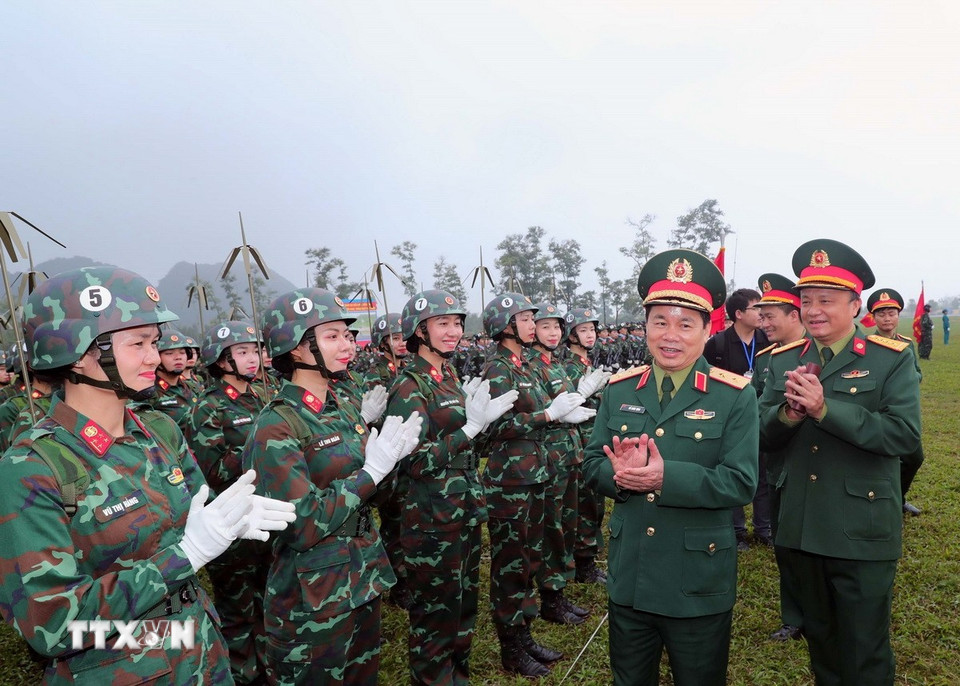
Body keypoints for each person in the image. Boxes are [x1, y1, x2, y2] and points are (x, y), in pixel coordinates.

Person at [0, 266, 294, 683]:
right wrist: (185, 556)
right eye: (138, 343)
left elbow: (197, 512)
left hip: (201, 654)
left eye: (154, 342)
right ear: (78, 352)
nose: (155, 357)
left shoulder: (158, 431)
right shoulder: (32, 468)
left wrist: (228, 521)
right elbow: (52, 626)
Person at [582, 249, 758, 686]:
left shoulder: (733, 395)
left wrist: (666, 477)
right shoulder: (619, 390)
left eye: (685, 323)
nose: (670, 335)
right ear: (645, 327)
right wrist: (618, 476)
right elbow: (590, 464)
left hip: (696, 581)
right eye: (660, 321)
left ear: (707, 329)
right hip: (632, 577)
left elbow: (740, 482)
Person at [758, 239, 921, 685]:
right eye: (806, 301)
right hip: (802, 523)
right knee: (823, 643)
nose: (813, 311)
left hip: (860, 527)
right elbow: (760, 434)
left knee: (863, 647)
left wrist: (826, 409)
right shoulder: (784, 359)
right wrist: (788, 413)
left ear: (855, 306)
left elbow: (903, 436)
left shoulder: (890, 359)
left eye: (826, 301)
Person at [241, 287, 422, 685]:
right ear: (297, 350)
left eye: (347, 334)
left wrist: (392, 465)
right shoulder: (277, 426)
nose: (348, 345)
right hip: (313, 598)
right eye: (332, 336)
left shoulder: (341, 408)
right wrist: (369, 474)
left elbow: (378, 496)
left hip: (361, 575)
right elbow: (300, 523)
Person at [385, 289, 516, 685]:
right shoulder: (410, 388)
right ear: (419, 331)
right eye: (443, 323)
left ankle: (457, 677)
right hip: (430, 518)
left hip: (462, 508)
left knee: (462, 608)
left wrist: (481, 426)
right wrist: (469, 429)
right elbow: (413, 462)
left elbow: (463, 443)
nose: (454, 331)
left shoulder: (449, 376)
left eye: (458, 323)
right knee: (435, 616)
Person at [480, 293, 586, 678]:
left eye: (530, 318)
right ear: (505, 326)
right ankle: (511, 645)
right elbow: (494, 428)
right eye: (523, 319)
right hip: (510, 478)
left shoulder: (523, 365)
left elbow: (544, 409)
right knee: (510, 562)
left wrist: (564, 411)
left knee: (528, 556)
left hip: (535, 471)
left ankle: (523, 633)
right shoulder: (498, 369)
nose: (531, 325)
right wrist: (546, 415)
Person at [189, 319, 272, 684]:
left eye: (255, 350)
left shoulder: (264, 396)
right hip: (231, 521)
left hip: (264, 513)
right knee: (238, 609)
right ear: (222, 361)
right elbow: (211, 469)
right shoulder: (209, 407)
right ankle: (243, 673)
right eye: (242, 352)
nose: (252, 358)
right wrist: (259, 452)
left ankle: (270, 668)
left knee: (268, 601)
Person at [529, 302, 597, 626]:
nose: (552, 332)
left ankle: (561, 587)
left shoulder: (553, 364)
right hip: (547, 458)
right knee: (551, 529)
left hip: (568, 452)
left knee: (567, 524)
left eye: (556, 326)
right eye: (545, 326)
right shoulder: (532, 367)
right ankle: (550, 596)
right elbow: (537, 412)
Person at [754, 273, 807, 643]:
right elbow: (756, 410)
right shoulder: (766, 360)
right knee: (786, 547)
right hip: (781, 466)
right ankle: (794, 616)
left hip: (820, 467)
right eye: (762, 315)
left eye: (771, 315)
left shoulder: (821, 352)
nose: (764, 322)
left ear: (794, 314)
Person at [703, 288, 771, 550]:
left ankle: (764, 529)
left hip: (761, 415)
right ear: (739, 314)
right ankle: (737, 531)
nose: (762, 313)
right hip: (729, 419)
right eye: (757, 308)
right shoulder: (717, 344)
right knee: (733, 472)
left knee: (763, 472)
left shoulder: (767, 340)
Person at [561, 308, 612, 584]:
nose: (590, 334)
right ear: (571, 335)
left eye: (592, 329)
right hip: (579, 441)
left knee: (594, 501)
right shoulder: (570, 367)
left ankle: (586, 558)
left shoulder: (585, 363)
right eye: (583, 330)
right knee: (585, 503)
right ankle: (583, 563)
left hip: (592, 439)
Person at [866, 289, 925, 517]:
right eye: (881, 314)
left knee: (914, 457)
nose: (887, 318)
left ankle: (898, 499)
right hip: (875, 411)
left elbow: (917, 373)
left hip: (901, 411)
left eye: (891, 313)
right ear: (874, 317)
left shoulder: (906, 345)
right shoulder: (866, 343)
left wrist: (906, 380)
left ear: (898, 316)